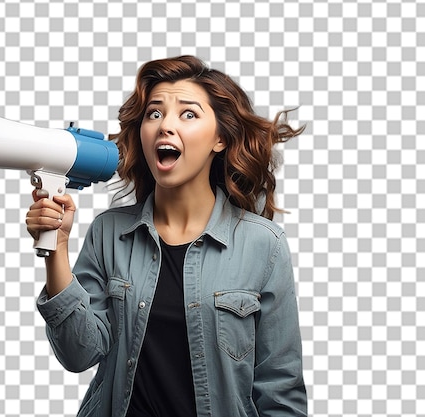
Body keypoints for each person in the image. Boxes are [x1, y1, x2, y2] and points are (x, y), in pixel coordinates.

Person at [25, 55, 307, 417]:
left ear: (220, 138)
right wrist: (57, 250)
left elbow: (280, 389)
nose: (164, 126)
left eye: (188, 114)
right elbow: (79, 354)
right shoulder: (109, 232)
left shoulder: (263, 245)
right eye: (154, 113)